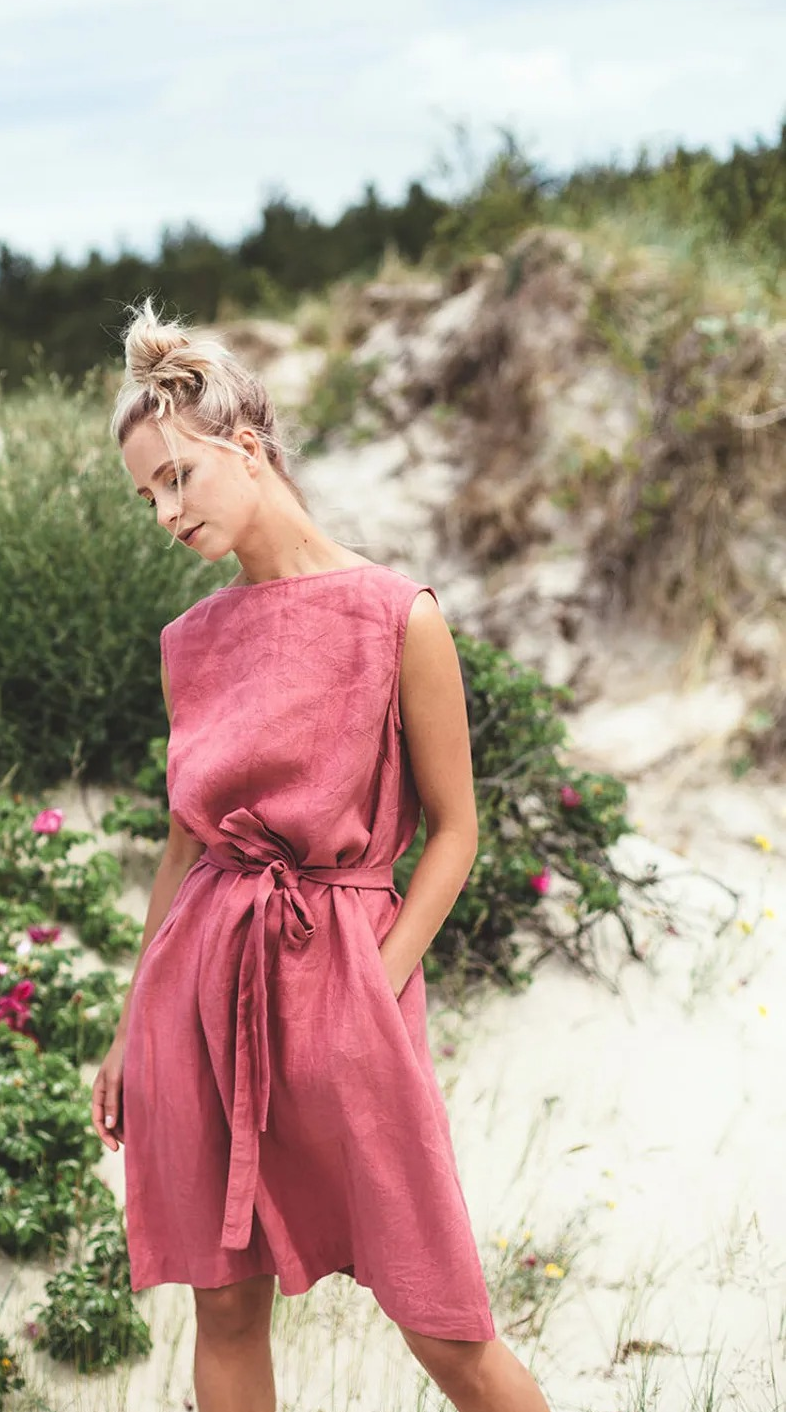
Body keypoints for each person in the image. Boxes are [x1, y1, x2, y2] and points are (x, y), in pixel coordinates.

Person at [91, 298, 552, 1412]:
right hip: (200, 980)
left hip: (345, 971)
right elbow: (186, 842)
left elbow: (455, 830)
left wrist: (373, 982)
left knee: (444, 1318)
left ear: (244, 447)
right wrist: (125, 1024)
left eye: (178, 477)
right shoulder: (188, 641)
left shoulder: (400, 615)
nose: (165, 510)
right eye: (145, 493)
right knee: (227, 1302)